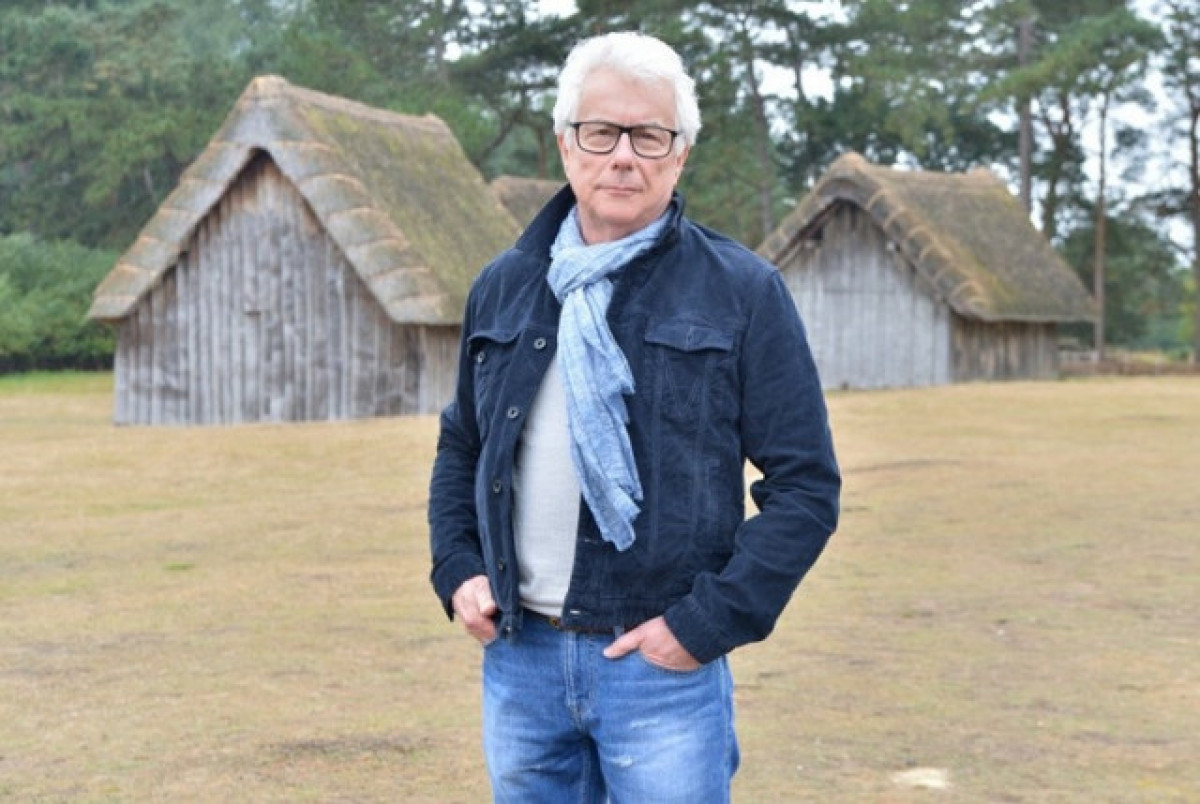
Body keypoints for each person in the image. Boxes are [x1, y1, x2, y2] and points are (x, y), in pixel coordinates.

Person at [428, 30, 840, 803]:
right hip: (520, 659)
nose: (623, 156)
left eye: (649, 135)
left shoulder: (743, 292)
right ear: (566, 143)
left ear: (679, 154)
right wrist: (457, 568)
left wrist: (703, 627)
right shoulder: (504, 285)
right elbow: (463, 445)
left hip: (659, 669)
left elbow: (806, 488)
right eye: (600, 132)